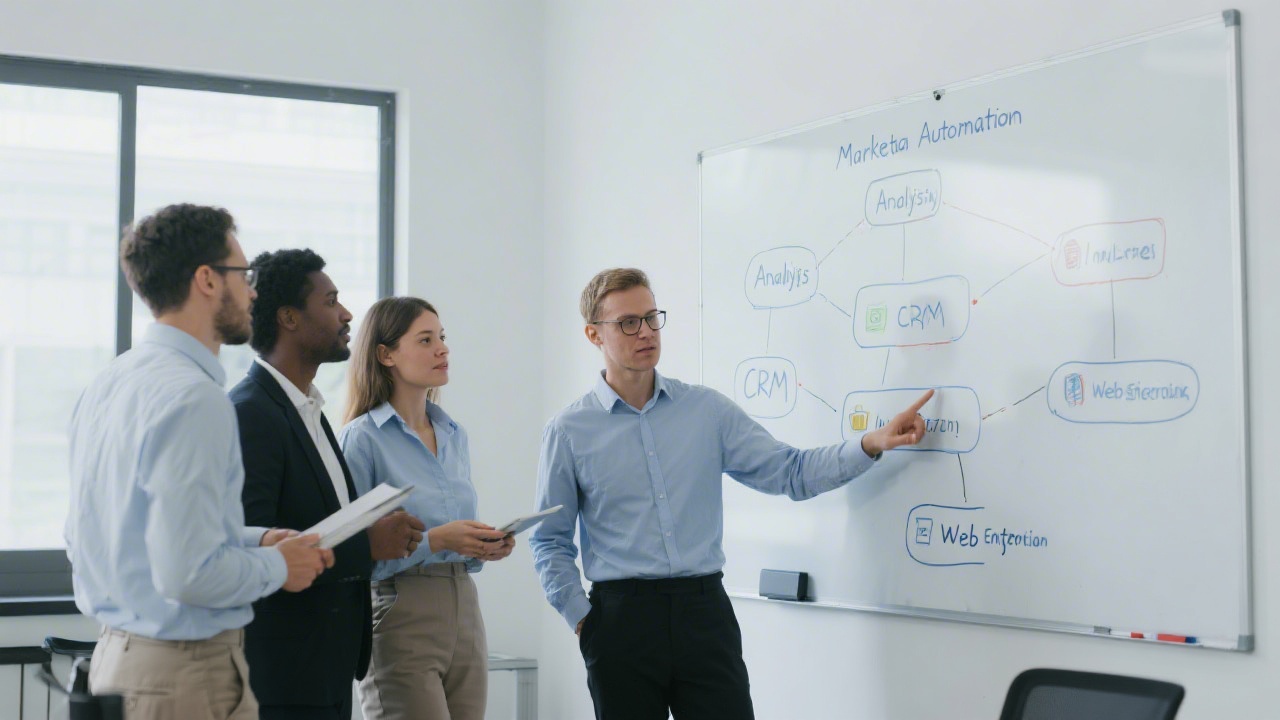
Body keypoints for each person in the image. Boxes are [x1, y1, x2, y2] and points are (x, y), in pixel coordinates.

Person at [529, 268, 934, 720]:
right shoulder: (568, 431)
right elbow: (549, 540)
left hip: (703, 614)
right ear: (593, 334)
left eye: (652, 317)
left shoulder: (706, 412)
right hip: (621, 622)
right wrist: (584, 621)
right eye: (628, 323)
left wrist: (870, 443)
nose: (646, 332)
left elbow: (790, 471)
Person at [65, 203, 334, 720]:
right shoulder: (195, 397)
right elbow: (189, 573)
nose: (252, 292)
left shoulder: (109, 382)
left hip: (116, 663)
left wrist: (254, 540)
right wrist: (282, 565)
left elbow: (114, 535)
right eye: (244, 275)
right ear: (207, 280)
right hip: (181, 676)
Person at [230, 249, 427, 720]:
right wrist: (368, 544)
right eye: (331, 301)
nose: (347, 314)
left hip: (326, 670)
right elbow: (250, 546)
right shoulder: (250, 412)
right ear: (289, 318)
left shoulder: (310, 412)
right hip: (282, 678)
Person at [339, 296, 516, 720]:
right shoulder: (361, 440)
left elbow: (453, 532)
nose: (442, 349)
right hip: (401, 611)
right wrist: (436, 540)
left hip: (464, 608)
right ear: (386, 355)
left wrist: (482, 545)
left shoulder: (454, 434)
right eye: (425, 340)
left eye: (442, 337)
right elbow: (350, 555)